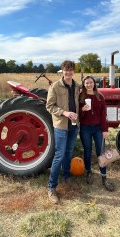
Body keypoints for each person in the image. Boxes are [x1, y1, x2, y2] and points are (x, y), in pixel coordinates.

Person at [46, 60, 80, 204]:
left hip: (74, 124)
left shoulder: (77, 86)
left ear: (73, 71)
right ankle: (51, 187)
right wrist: (64, 113)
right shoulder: (55, 86)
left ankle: (66, 177)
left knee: (69, 152)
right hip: (61, 124)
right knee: (59, 155)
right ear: (62, 71)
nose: (68, 72)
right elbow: (49, 106)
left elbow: (79, 103)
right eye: (66, 70)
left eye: (71, 70)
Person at [79, 75, 114, 191]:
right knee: (87, 151)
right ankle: (89, 171)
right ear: (84, 85)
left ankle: (104, 177)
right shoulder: (81, 97)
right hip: (85, 128)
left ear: (94, 84)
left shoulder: (100, 97)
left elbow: (104, 115)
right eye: (87, 83)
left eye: (91, 82)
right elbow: (77, 114)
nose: (89, 85)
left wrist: (105, 130)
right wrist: (82, 110)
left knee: (101, 152)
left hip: (98, 128)